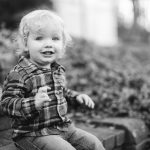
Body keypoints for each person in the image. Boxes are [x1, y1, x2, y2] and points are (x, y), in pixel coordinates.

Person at [0, 10, 105, 150]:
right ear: (26, 43)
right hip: (33, 134)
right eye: (39, 38)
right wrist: (33, 103)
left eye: (55, 39)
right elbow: (7, 104)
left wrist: (77, 97)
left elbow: (62, 91)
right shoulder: (19, 74)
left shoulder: (57, 70)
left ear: (62, 44)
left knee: (94, 144)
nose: (48, 44)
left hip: (63, 128)